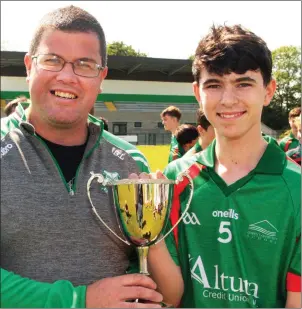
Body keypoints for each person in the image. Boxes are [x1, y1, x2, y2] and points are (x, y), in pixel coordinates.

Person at [1, 5, 163, 308]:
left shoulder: (130, 162)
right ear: (28, 66)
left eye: (84, 65)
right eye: (52, 60)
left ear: (101, 77)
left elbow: (147, 268)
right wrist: (80, 300)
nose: (67, 76)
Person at [148, 24, 301, 308]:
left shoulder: (297, 188)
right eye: (214, 85)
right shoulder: (174, 179)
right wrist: (149, 233)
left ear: (268, 91)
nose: (228, 100)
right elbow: (169, 298)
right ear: (197, 92)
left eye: (243, 83)